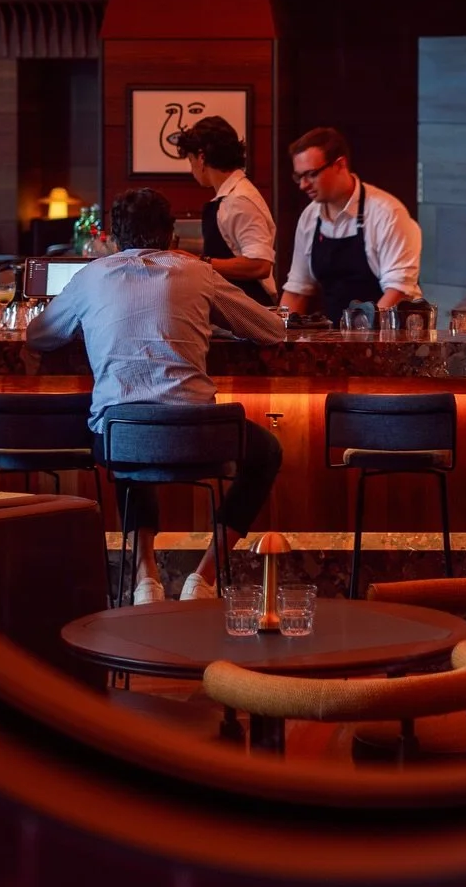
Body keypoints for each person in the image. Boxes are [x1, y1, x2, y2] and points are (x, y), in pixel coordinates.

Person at [27, 187, 285, 605]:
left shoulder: (91, 276)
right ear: (171, 235)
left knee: (129, 426)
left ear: (113, 236)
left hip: (120, 439)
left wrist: (90, 321)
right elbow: (271, 329)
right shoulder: (198, 273)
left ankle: (146, 577)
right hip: (200, 438)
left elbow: (39, 335)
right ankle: (203, 577)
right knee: (267, 451)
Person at [279, 126, 423, 324]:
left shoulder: (387, 213)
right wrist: (275, 333)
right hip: (335, 338)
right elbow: (297, 290)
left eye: (311, 174)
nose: (303, 185)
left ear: (340, 164)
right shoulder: (310, 216)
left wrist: (358, 335)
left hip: (387, 338)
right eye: (299, 176)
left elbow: (398, 292)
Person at [173, 114, 278, 305]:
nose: (192, 169)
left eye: (191, 160)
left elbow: (260, 265)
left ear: (202, 157)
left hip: (251, 311)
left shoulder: (239, 199)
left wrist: (199, 262)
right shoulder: (227, 197)